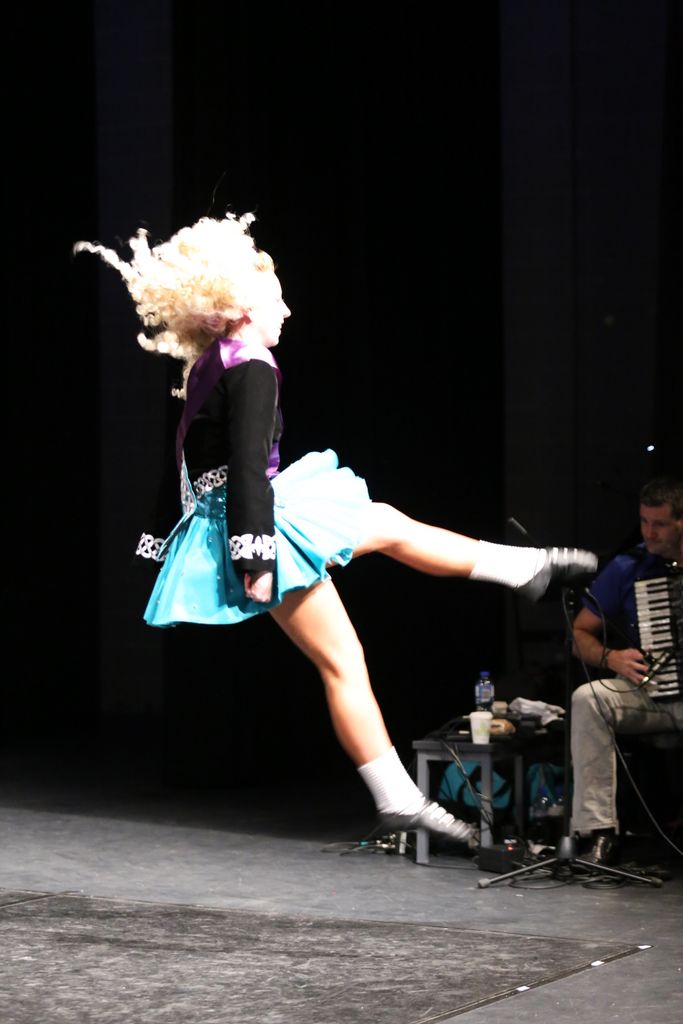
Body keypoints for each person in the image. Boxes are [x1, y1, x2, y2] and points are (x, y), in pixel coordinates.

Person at [73, 210, 597, 847]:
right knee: (344, 660)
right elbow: (243, 466)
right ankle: (398, 797)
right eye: (277, 300)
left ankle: (525, 569)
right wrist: (254, 556)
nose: (287, 310)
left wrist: (160, 538)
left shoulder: (214, 361)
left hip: (248, 510)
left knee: (386, 525)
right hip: (255, 520)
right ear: (241, 309)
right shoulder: (252, 364)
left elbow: (181, 454)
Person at [571, 476, 683, 865]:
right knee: (589, 699)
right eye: (644, 522)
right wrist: (612, 658)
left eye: (660, 524)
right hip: (650, 695)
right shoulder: (629, 566)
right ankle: (598, 833)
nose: (649, 533)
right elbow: (579, 634)